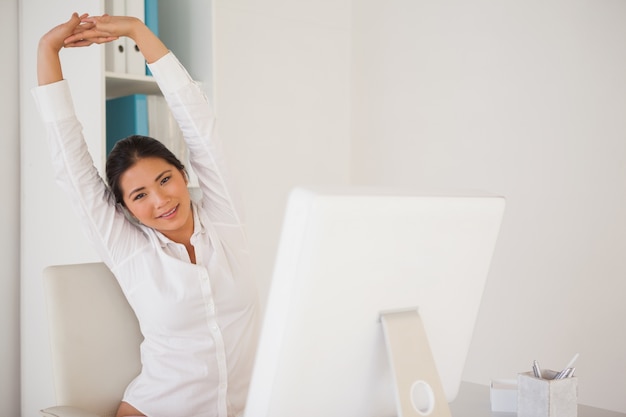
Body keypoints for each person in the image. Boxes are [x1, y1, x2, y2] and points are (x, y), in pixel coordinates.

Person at [34, 13, 260, 417]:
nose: (161, 200)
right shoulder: (129, 251)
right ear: (126, 209)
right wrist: (47, 50)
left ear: (183, 173)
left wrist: (139, 33)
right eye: (139, 195)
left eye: (165, 179)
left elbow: (200, 127)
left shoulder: (226, 224)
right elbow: (69, 164)